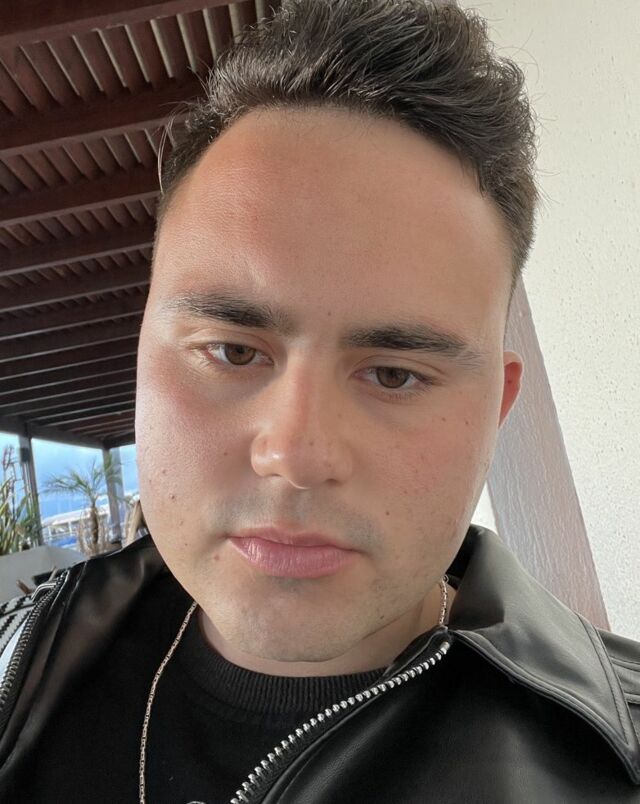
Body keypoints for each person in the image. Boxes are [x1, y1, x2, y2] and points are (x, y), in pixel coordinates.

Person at [0, 1, 638, 801]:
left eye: (395, 373)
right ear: (142, 358)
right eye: (233, 351)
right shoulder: (18, 682)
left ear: (497, 407)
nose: (295, 456)